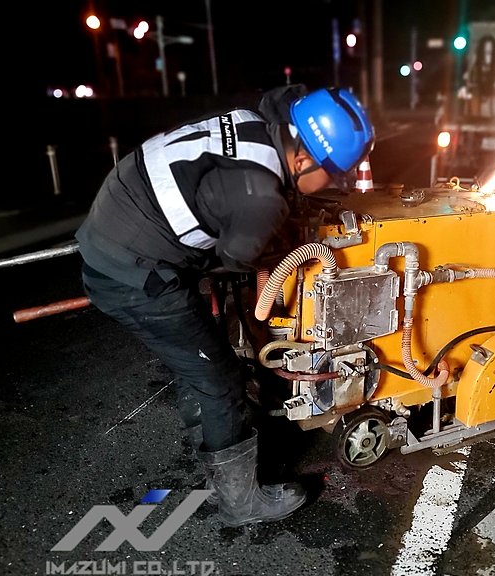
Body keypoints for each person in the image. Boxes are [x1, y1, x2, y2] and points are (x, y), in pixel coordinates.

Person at [75, 85, 375, 527]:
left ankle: (201, 407)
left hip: (117, 216)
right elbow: (240, 258)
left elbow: (280, 97)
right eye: (332, 175)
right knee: (221, 380)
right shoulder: (260, 198)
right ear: (303, 159)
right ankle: (241, 501)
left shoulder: (255, 123)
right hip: (132, 274)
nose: (332, 185)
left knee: (199, 343)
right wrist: (287, 244)